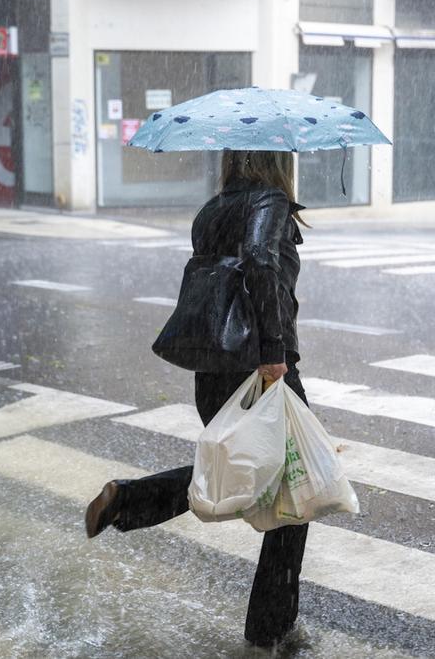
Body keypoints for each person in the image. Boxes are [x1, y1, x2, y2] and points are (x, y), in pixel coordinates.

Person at [84, 150, 308, 648]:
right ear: (279, 160)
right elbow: (259, 259)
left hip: (214, 368)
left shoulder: (213, 209)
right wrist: (274, 352)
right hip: (260, 366)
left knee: (249, 472)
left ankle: (128, 501)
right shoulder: (269, 200)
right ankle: (269, 631)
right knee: (295, 486)